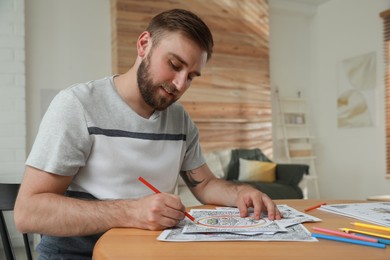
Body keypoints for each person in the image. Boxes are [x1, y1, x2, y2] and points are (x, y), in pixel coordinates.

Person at [14, 9, 281, 259]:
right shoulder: (77, 105)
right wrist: (131, 212)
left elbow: (206, 185)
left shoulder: (180, 121)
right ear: (144, 44)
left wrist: (242, 192)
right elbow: (29, 212)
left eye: (191, 76)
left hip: (151, 252)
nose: (180, 84)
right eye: (175, 65)